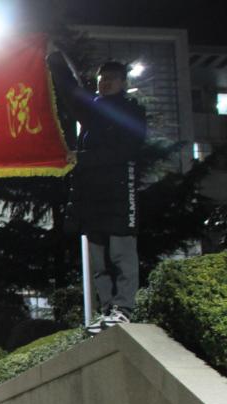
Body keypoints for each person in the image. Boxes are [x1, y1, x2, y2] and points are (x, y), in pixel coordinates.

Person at [49, 52, 147, 334]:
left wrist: (82, 158)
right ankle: (107, 311)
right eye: (102, 78)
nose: (106, 83)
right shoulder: (93, 110)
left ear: (124, 83)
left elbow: (123, 152)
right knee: (98, 259)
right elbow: (72, 94)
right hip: (92, 197)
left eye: (112, 79)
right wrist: (54, 60)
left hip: (119, 192)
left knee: (121, 254)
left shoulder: (131, 112)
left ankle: (123, 309)